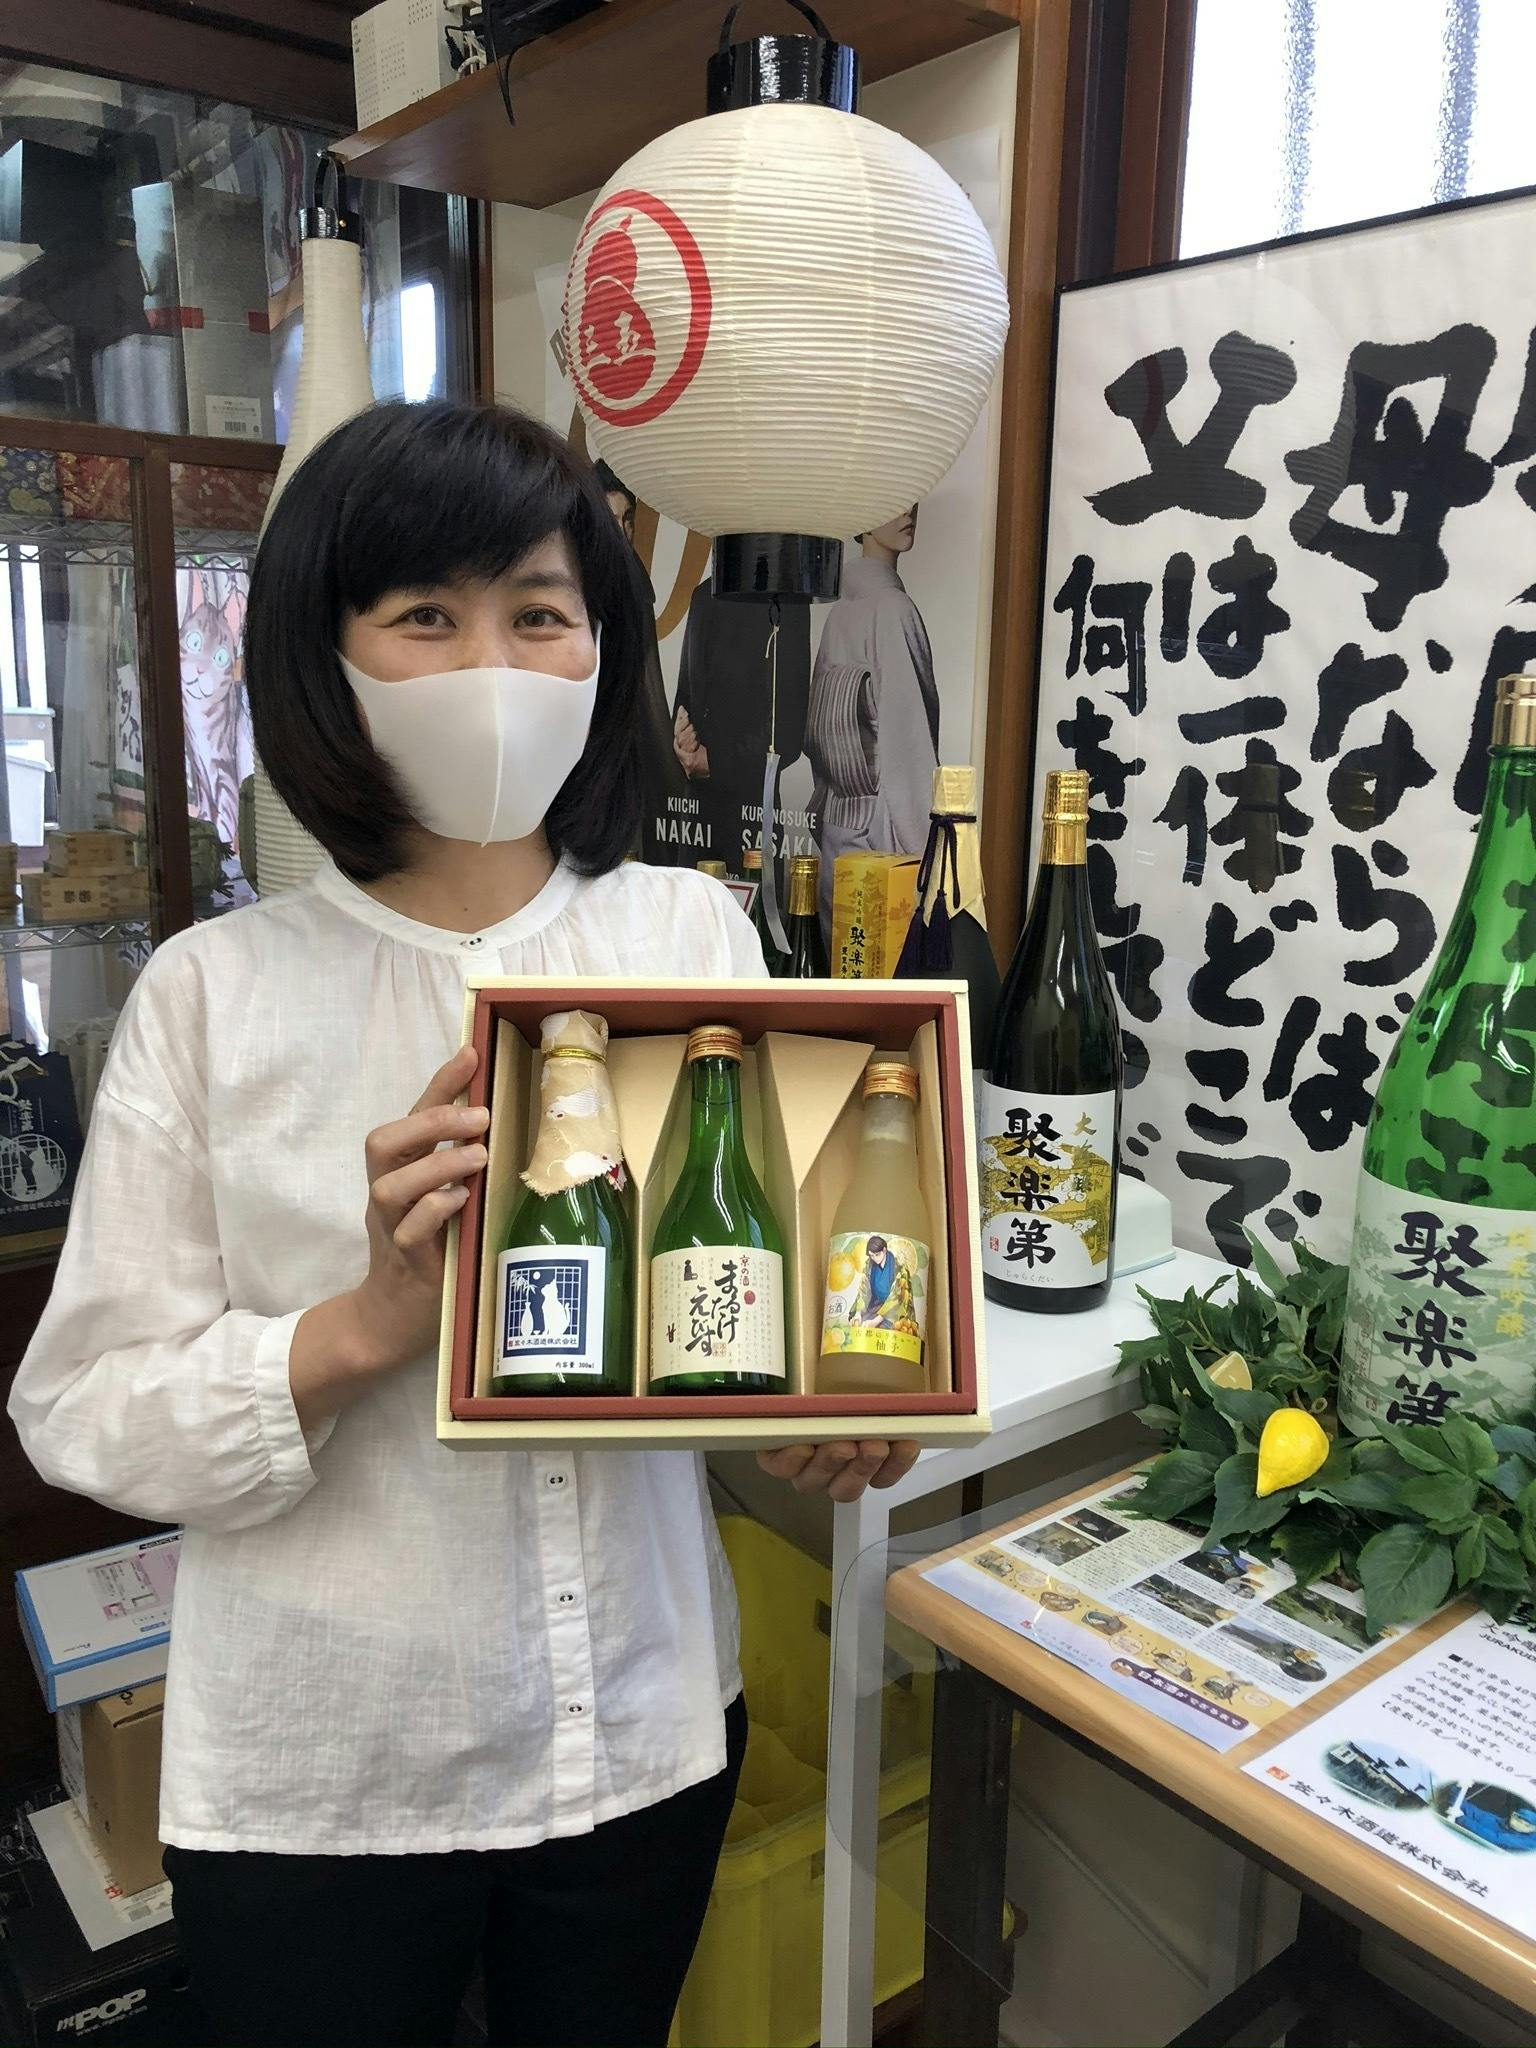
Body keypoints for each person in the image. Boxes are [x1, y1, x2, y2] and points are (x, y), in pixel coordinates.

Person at [7, 401, 918, 2048]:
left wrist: (830, 1412)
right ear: (325, 655)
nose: (491, 658)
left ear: (599, 648)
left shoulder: (691, 937)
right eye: (424, 614)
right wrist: (362, 1321)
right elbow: (81, 1411)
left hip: (636, 1734)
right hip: (323, 1774)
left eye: (539, 611)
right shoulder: (213, 994)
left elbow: (743, 1313)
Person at [807, 503, 940, 928]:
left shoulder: (838, 614)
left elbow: (818, 742)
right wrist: (932, 870)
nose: (907, 512)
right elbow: (909, 753)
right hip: (886, 841)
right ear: (859, 515)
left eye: (912, 499)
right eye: (890, 501)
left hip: (838, 838)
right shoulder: (893, 609)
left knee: (842, 980)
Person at [673, 576, 810, 871]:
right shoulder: (702, 594)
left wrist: (715, 763)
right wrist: (681, 740)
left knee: (752, 914)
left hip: (751, 809)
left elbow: (787, 731)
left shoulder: (789, 601)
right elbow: (686, 692)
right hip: (696, 814)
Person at [590, 458, 685, 857]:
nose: (622, 531)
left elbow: (647, 689)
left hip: (616, 752)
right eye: (610, 519)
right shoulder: (576, 576)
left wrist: (670, 776)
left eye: (627, 519)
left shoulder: (629, 581)